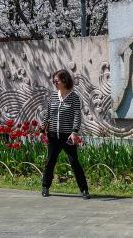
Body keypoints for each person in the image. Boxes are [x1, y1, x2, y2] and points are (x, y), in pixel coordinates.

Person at [39, 69, 89, 199]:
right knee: (50, 161)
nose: (55, 83)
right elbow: (47, 115)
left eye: (57, 81)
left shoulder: (74, 97)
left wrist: (74, 132)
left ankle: (84, 190)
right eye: (54, 81)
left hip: (68, 136)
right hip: (53, 135)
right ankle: (45, 187)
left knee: (74, 162)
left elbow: (77, 116)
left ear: (65, 81)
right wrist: (42, 130)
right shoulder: (53, 97)